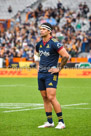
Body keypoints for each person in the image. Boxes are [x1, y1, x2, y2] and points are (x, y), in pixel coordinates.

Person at [36, 22, 70, 129]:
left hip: (51, 74)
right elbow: (37, 54)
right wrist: (37, 65)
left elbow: (66, 56)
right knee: (45, 97)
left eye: (43, 29)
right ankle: (49, 122)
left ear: (49, 31)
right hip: (41, 73)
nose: (41, 31)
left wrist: (59, 68)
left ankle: (61, 122)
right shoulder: (39, 44)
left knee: (51, 97)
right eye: (40, 29)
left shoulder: (55, 43)